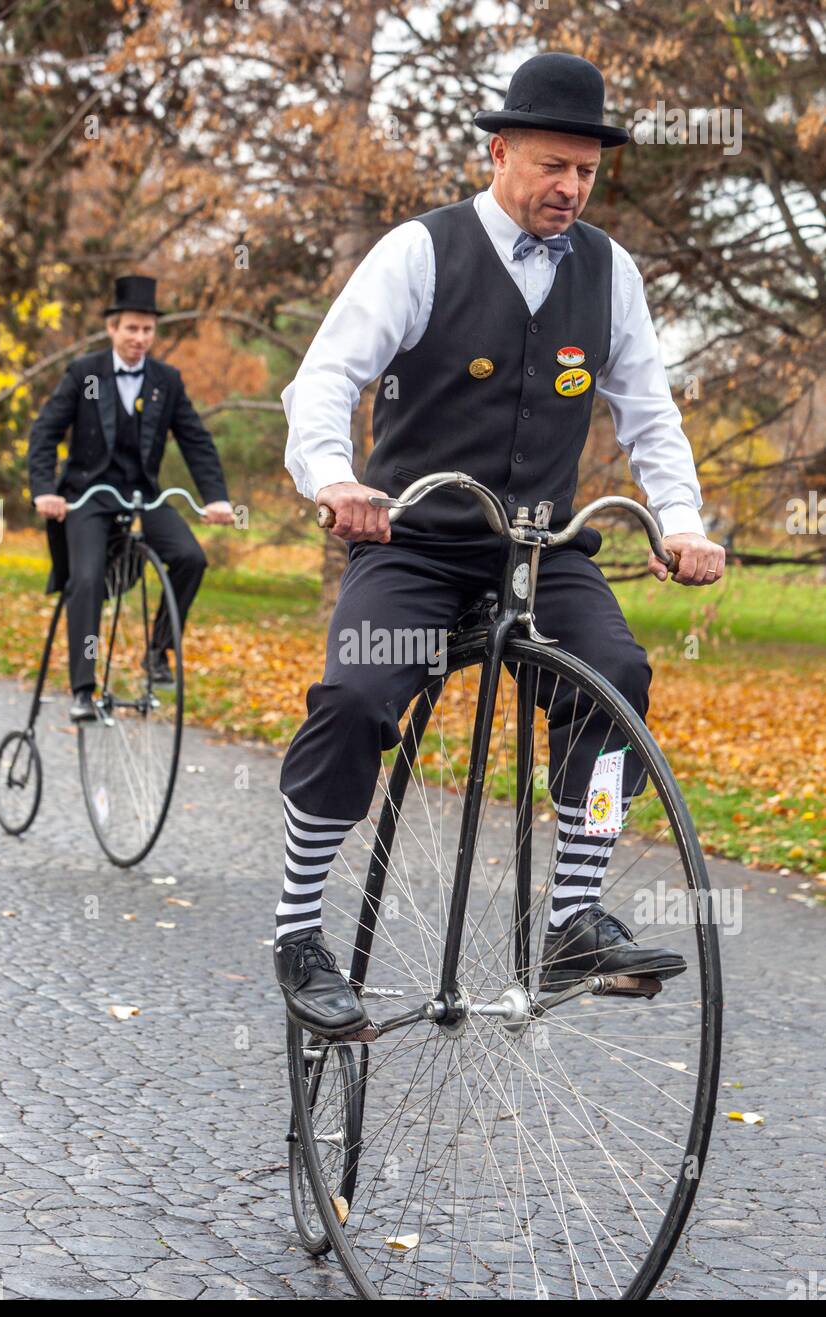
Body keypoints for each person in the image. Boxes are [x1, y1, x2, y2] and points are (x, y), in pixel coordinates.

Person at [274, 53, 726, 1037]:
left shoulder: (607, 273)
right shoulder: (418, 251)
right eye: (550, 166)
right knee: (355, 692)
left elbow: (648, 414)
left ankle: (569, 919)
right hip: (417, 542)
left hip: (538, 547)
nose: (568, 187)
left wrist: (680, 520)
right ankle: (298, 931)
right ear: (498, 150)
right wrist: (335, 478)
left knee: (614, 674)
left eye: (584, 171)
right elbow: (321, 382)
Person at [28, 275, 234, 720]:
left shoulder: (167, 380)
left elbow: (196, 440)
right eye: (131, 329)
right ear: (112, 328)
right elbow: (45, 431)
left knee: (189, 558)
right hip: (88, 496)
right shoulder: (84, 374)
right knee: (84, 580)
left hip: (142, 495)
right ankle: (83, 689)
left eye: (148, 330)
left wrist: (215, 497)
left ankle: (158, 649)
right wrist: (45, 490)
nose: (140, 338)